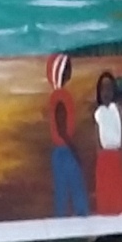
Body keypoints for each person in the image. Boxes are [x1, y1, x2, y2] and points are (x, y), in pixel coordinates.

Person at [46, 53, 87, 217]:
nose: (71, 70)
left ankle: (62, 221)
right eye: (68, 68)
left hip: (59, 152)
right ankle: (82, 222)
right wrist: (75, 150)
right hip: (65, 151)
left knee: (62, 192)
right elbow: (62, 129)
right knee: (76, 188)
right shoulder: (62, 97)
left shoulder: (56, 96)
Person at [90, 72, 122, 216]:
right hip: (104, 157)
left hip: (116, 154)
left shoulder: (117, 109)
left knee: (118, 186)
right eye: (103, 89)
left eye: (109, 88)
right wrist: (99, 154)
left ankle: (119, 212)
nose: (106, 92)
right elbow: (96, 136)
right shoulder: (98, 112)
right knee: (105, 187)